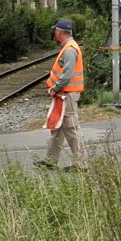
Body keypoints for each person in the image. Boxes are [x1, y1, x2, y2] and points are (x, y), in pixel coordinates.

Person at [35, 18, 86, 171]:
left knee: (70, 128)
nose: (54, 33)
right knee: (58, 128)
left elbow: (67, 75)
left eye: (55, 31)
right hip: (64, 94)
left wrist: (54, 88)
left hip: (67, 94)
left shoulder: (69, 49)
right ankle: (51, 160)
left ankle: (80, 164)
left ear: (60, 32)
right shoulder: (69, 47)